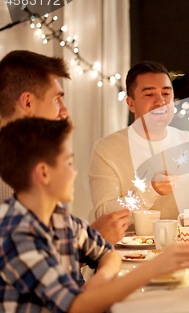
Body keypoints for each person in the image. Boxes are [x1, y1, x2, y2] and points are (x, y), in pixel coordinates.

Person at [0, 117, 189, 313]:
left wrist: (93, 286)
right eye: (68, 163)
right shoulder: (15, 232)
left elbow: (107, 252)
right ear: (43, 173)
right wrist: (154, 267)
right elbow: (77, 311)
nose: (74, 172)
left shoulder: (58, 216)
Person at [0, 50, 129, 244]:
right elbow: (30, 259)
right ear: (28, 102)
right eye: (56, 99)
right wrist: (95, 238)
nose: (64, 110)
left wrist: (89, 237)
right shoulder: (14, 170)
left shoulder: (39, 153)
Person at [89, 61, 189, 221]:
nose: (160, 101)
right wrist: (150, 190)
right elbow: (103, 215)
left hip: (181, 244)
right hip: (123, 245)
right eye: (149, 94)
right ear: (131, 103)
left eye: (166, 94)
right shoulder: (107, 149)